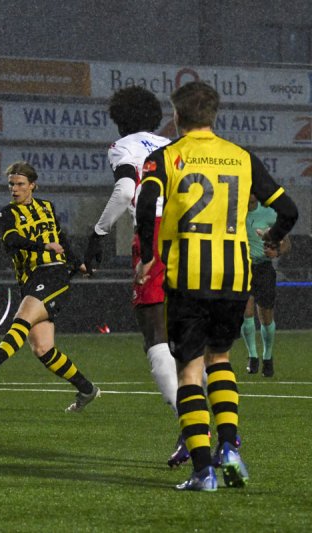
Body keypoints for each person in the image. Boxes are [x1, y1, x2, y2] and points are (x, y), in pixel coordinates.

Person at [135, 81, 298, 491]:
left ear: (177, 115)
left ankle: (202, 471)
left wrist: (148, 255)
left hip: (188, 275)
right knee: (220, 359)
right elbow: (288, 210)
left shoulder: (165, 157)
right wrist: (274, 237)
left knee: (190, 371)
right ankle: (230, 448)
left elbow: (145, 204)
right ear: (214, 115)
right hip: (234, 275)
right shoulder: (242, 157)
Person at [80, 86, 184, 466]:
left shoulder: (123, 146)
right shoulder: (174, 146)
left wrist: (98, 233)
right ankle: (220, 430)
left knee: (155, 336)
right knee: (188, 339)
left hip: (154, 233)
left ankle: (193, 428)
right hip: (192, 237)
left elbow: (126, 191)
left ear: (118, 119)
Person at [0, 161, 100, 413]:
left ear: (32, 185)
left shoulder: (47, 207)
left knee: (22, 318)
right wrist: (43, 246)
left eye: (20, 184)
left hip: (54, 274)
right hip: (30, 280)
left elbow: (61, 240)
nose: (14, 189)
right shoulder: (6, 214)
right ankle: (87, 389)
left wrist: (78, 264)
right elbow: (12, 240)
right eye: (11, 184)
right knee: (43, 349)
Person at [241, 194, 291, 378]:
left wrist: (276, 252)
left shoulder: (269, 213)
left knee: (266, 317)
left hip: (263, 268)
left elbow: (286, 243)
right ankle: (252, 357)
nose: (251, 193)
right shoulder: (235, 212)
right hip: (242, 268)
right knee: (246, 313)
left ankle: (267, 358)